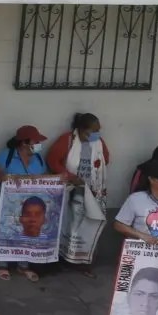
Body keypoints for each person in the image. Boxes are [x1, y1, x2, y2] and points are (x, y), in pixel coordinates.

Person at [44, 114, 110, 270]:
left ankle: (82, 261)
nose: (97, 133)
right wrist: (72, 177)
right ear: (82, 130)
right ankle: (61, 259)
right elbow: (52, 160)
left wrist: (93, 176)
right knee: (67, 224)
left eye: (98, 130)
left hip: (92, 192)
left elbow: (105, 159)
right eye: (94, 130)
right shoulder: (67, 140)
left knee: (88, 225)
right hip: (70, 190)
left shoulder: (98, 142)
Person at [0, 126, 49, 279]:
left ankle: (23, 266)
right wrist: (4, 177)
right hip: (9, 206)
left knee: (28, 233)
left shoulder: (39, 158)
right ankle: (2, 265)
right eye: (36, 141)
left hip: (30, 205)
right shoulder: (6, 156)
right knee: (7, 232)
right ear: (23, 143)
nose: (39, 144)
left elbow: (46, 178)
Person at [113, 166, 158, 246]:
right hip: (139, 252)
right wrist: (141, 236)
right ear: (151, 179)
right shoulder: (135, 199)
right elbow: (118, 225)